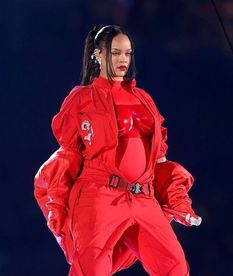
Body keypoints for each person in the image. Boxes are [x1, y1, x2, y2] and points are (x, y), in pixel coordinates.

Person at [34, 25, 201, 276]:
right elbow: (68, 151)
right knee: (92, 268)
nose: (123, 60)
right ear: (98, 55)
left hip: (143, 197)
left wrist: (177, 197)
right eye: (115, 53)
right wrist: (58, 200)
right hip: (100, 195)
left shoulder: (143, 98)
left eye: (127, 53)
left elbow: (159, 157)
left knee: (174, 265)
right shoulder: (82, 98)